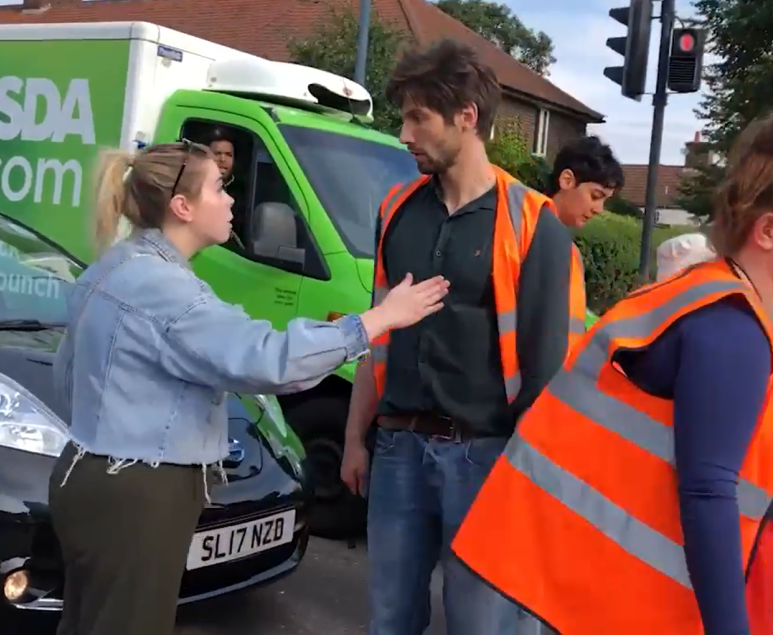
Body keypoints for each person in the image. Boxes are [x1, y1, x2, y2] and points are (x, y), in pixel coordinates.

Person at [452, 95, 773, 634]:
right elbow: (708, 496)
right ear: (767, 231)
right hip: (648, 609)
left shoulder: (708, 297)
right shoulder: (732, 329)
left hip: (606, 596)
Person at [48, 141, 449, 635]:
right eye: (220, 187)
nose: (233, 201)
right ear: (183, 207)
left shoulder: (114, 267)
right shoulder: (165, 289)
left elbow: (66, 378)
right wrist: (378, 319)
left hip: (86, 472)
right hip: (139, 491)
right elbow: (267, 358)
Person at [339, 40, 585, 635]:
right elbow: (380, 335)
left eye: (418, 118)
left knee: (486, 625)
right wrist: (354, 438)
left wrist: (532, 480)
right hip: (397, 451)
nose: (404, 134)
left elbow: (549, 369)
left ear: (467, 117)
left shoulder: (534, 222)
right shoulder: (397, 208)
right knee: (390, 619)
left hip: (487, 458)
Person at [545, 135, 624, 228]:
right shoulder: (527, 224)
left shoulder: (558, 238)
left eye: (605, 201)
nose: (599, 210)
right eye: (595, 196)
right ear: (567, 180)